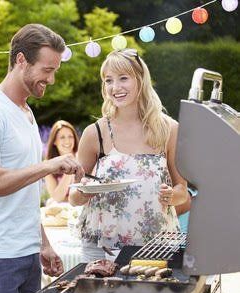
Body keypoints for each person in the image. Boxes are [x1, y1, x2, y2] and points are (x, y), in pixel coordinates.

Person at [0, 24, 84, 293]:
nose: (51, 80)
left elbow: (24, 193)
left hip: (27, 255)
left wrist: (44, 243)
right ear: (21, 61)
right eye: (47, 70)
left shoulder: (26, 113)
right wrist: (49, 166)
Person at [69, 49, 188, 262]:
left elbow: (183, 192)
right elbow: (73, 197)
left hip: (156, 245)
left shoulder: (168, 129)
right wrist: (84, 192)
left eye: (123, 78)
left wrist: (171, 196)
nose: (115, 87)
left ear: (140, 80)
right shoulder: (95, 132)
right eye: (108, 80)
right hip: (101, 248)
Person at [44, 120, 80, 205]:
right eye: (62, 137)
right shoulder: (48, 165)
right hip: (62, 209)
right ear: (54, 141)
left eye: (70, 136)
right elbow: (57, 198)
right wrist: (71, 167)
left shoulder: (82, 158)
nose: (67, 141)